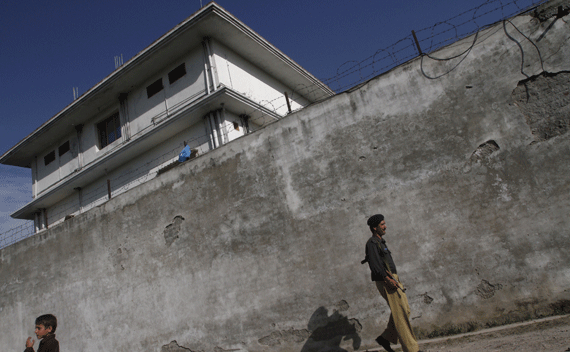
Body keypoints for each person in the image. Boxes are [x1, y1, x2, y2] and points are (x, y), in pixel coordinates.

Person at [364, 214, 421, 352]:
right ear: (374, 228)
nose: (385, 226)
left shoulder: (380, 242)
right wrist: (387, 279)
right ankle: (412, 349)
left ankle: (386, 337)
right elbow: (375, 265)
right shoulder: (372, 243)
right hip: (386, 280)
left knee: (404, 309)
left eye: (384, 223)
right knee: (400, 313)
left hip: (392, 278)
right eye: (382, 224)